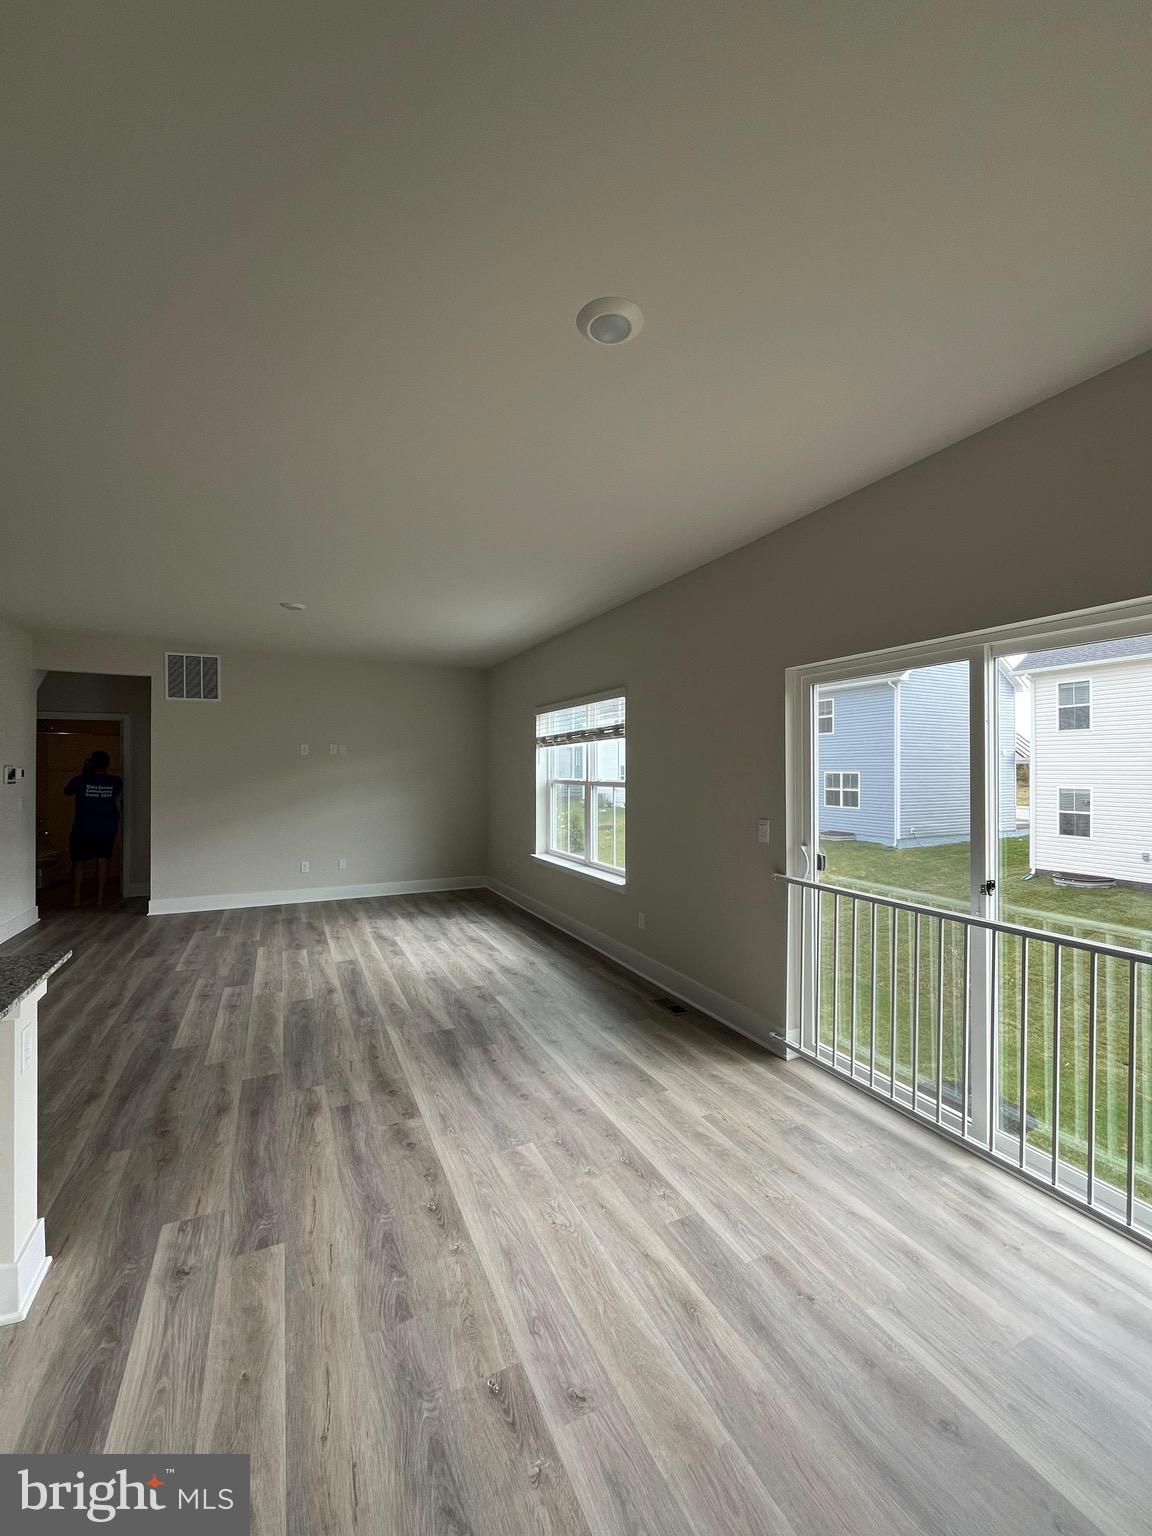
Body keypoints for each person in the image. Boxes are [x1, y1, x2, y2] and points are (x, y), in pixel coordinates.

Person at [65, 750, 123, 907]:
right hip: (107, 827)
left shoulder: (80, 780)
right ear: (108, 763)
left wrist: (85, 771)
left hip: (82, 828)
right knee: (102, 862)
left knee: (78, 862)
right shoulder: (115, 782)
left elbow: (67, 791)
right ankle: (100, 899)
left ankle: (76, 899)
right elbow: (118, 793)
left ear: (91, 763)